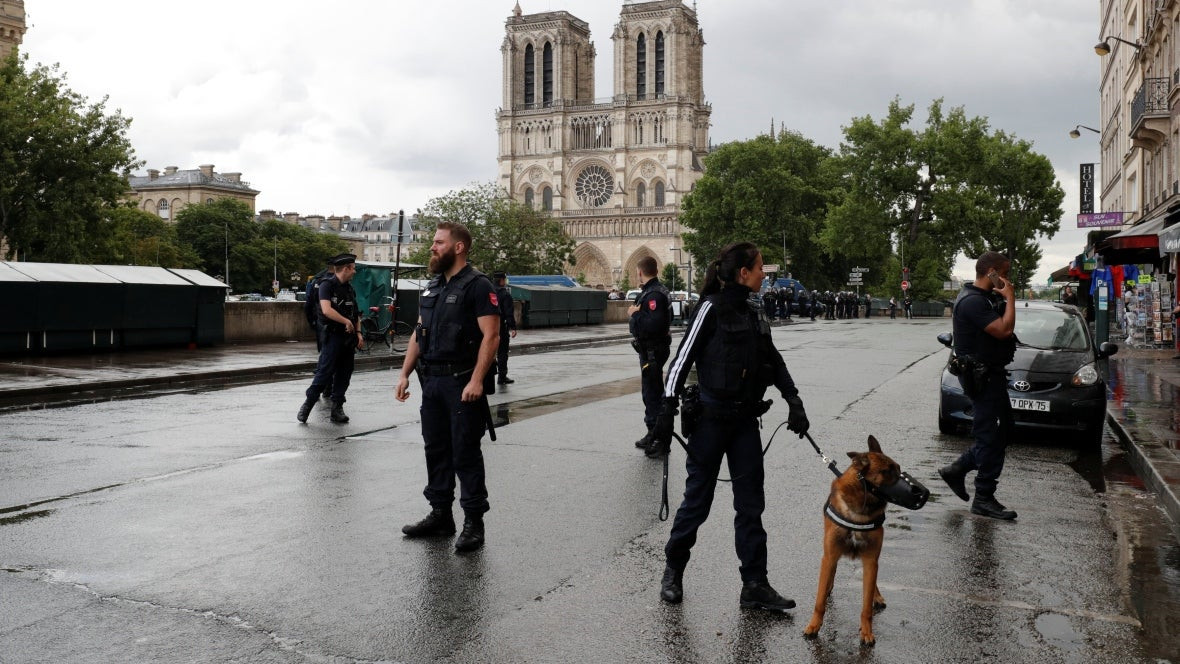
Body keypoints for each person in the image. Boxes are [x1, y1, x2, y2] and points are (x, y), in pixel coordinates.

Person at [649, 242, 811, 611]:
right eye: (759, 268)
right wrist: (666, 408)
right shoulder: (710, 308)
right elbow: (681, 359)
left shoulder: (755, 309)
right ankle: (673, 571)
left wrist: (794, 399)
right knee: (697, 504)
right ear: (743, 273)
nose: (763, 274)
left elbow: (773, 358)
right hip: (710, 421)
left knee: (751, 506)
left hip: (744, 423)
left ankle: (754, 584)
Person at [396, 222, 500, 553]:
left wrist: (476, 380)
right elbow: (419, 331)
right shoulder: (433, 287)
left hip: (461, 380)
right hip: (433, 382)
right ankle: (440, 515)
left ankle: (473, 523)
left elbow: (492, 336)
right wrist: (404, 373)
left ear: (459, 247)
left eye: (439, 242)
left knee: (465, 451)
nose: (432, 247)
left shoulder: (478, 286)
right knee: (436, 449)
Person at [938, 251, 1018, 520]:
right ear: (992, 272)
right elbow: (1004, 330)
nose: (1006, 279)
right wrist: (1011, 298)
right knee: (989, 437)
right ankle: (983, 497)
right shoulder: (973, 302)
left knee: (1002, 432)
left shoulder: (982, 298)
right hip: (982, 378)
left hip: (991, 375)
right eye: (1004, 273)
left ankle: (958, 470)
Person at [297, 253, 362, 424]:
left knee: (345, 373)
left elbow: (356, 314)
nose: (354, 272)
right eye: (353, 268)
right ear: (346, 268)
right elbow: (326, 310)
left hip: (348, 338)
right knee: (325, 372)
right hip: (333, 335)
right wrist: (345, 321)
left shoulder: (349, 289)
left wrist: (359, 333)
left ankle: (337, 408)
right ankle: (308, 404)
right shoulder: (327, 285)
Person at [629, 256, 673, 454]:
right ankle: (653, 432)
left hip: (652, 350)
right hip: (652, 349)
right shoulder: (654, 291)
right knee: (651, 392)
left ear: (640, 271)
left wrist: (634, 314)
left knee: (653, 393)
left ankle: (660, 438)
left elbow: (653, 325)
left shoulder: (654, 294)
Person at [303, 267, 334, 399]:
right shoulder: (339, 283)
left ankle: (324, 386)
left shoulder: (316, 280)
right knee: (333, 357)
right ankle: (327, 387)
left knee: (324, 355)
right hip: (334, 323)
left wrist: (313, 322)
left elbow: (308, 304)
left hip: (320, 322)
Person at [492, 271, 517, 385]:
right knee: (502, 353)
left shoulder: (488, 291)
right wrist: (513, 327)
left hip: (485, 327)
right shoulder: (504, 294)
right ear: (502, 280)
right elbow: (508, 312)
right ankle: (502, 376)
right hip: (500, 327)